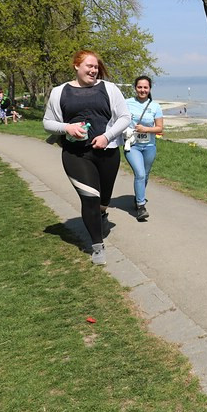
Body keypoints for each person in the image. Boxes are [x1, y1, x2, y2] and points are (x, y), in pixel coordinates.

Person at [43, 50, 130, 265]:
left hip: (107, 152)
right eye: (89, 66)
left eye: (96, 67)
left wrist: (107, 136)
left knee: (103, 198)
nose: (93, 70)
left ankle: (101, 214)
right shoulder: (59, 92)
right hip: (76, 154)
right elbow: (47, 122)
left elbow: (125, 117)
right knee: (89, 197)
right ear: (76, 66)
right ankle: (97, 245)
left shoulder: (109, 89)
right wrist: (67, 127)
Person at [124, 76, 164, 221]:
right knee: (140, 174)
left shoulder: (155, 106)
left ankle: (138, 197)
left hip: (149, 146)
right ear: (135, 88)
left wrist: (145, 129)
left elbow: (160, 128)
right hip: (132, 146)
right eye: (140, 87)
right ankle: (141, 206)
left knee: (145, 175)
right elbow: (117, 119)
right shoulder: (126, 103)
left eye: (145, 87)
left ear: (149, 89)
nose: (142, 90)